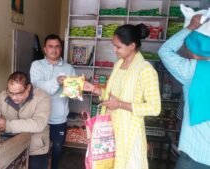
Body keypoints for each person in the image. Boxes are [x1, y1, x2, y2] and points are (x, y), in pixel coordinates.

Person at [83, 24, 161, 169]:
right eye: (114, 46)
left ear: (132, 46)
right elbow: (113, 97)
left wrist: (120, 105)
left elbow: (154, 108)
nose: (114, 50)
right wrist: (94, 89)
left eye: (118, 47)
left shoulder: (146, 70)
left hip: (130, 133)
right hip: (110, 129)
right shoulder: (118, 65)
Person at [158, 14, 210, 169]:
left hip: (195, 155)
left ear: (192, 52)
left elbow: (165, 51)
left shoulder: (192, 71)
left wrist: (190, 27)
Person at [30, 34, 76, 169]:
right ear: (45, 49)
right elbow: (37, 86)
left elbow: (73, 93)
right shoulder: (37, 65)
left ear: (61, 49)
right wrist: (57, 81)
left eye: (57, 47)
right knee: (38, 150)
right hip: (39, 117)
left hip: (59, 118)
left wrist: (77, 87)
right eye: (50, 46)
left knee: (57, 149)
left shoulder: (69, 68)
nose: (54, 50)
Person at [0, 71, 51, 169]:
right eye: (11, 93)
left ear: (28, 88)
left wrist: (8, 125)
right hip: (11, 146)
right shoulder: (3, 96)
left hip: (35, 148)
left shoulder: (42, 97)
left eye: (19, 93)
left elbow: (39, 123)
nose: (14, 97)